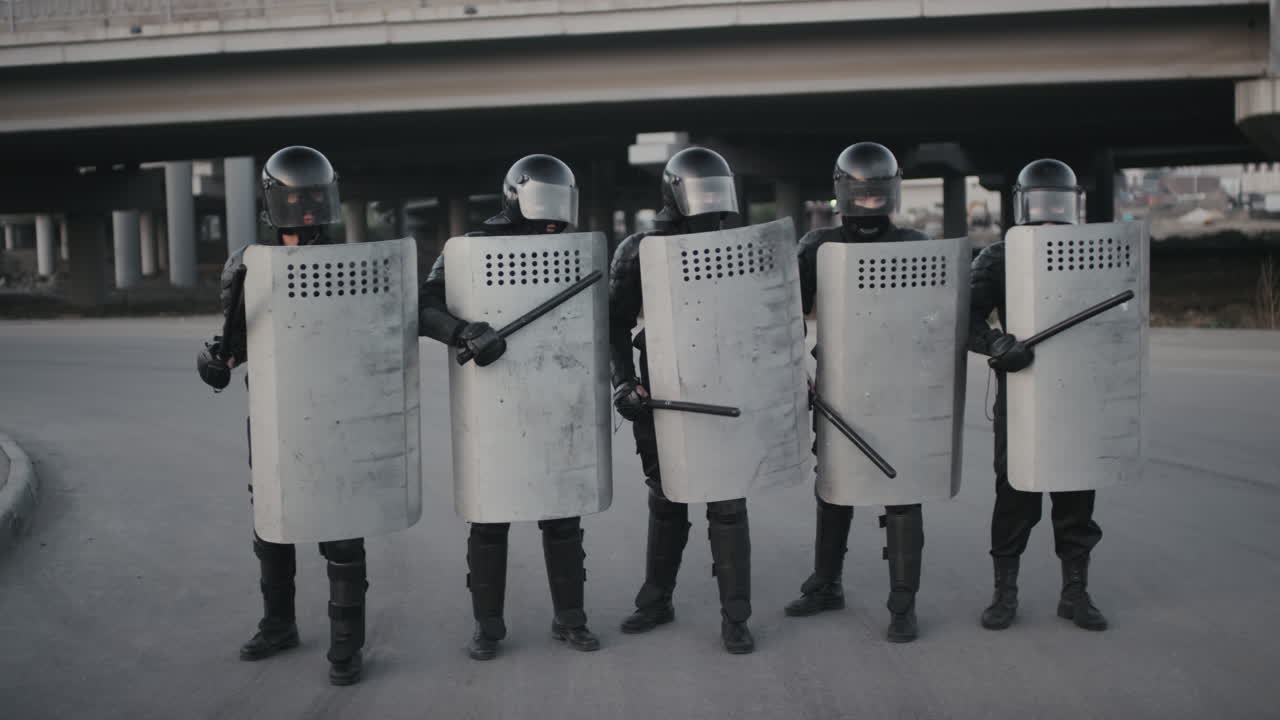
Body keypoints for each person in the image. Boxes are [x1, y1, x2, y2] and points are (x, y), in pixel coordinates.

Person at [196, 146, 370, 685]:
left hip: (339, 411)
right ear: (276, 203)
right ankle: (278, 624)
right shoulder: (250, 266)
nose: (306, 207)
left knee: (341, 527)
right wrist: (215, 359)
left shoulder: (356, 266)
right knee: (272, 521)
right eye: (295, 197)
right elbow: (236, 342)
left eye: (314, 196)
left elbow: (380, 339)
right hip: (275, 410)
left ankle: (346, 644)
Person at [418, 154, 601, 661]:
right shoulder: (472, 251)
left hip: (557, 396)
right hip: (492, 402)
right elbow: (423, 305)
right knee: (490, 516)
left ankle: (571, 619)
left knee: (561, 513)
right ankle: (489, 626)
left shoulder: (577, 253)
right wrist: (463, 330)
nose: (550, 217)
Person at [782, 142, 932, 643]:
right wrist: (792, 372)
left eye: (877, 197)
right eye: (860, 197)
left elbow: (939, 319)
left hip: (900, 385)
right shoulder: (817, 247)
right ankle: (827, 583)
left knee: (903, 492)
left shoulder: (914, 243)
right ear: (843, 194)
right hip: (840, 382)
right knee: (835, 486)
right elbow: (786, 319)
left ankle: (903, 602)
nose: (869, 207)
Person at [609, 146, 755, 654]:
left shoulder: (740, 245)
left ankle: (736, 613)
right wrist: (624, 383)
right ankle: (657, 599)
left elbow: (768, 320)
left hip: (725, 382)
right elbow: (613, 322)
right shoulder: (640, 248)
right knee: (667, 496)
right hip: (664, 387)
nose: (710, 202)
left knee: (728, 500)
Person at [968, 158, 1107, 632]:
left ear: (1073, 207)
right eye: (1040, 205)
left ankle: (1076, 593)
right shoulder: (1000, 257)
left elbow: (1119, 320)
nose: (1048, 214)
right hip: (1022, 390)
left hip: (1078, 392)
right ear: (1021, 207)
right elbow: (960, 319)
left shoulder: (1094, 253)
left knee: (1076, 493)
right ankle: (1004, 593)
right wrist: (995, 342)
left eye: (1057, 205)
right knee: (1015, 495)